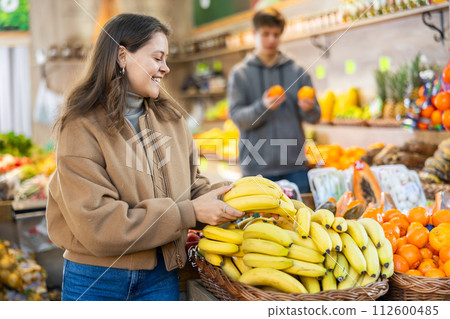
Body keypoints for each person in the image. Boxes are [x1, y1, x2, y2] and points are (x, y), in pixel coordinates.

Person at [46, 13, 244, 301]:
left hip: (160, 276)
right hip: (97, 279)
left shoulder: (172, 119)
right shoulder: (81, 125)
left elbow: (191, 186)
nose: (166, 68)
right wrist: (189, 212)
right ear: (123, 56)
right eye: (157, 58)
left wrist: (232, 197)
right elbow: (97, 224)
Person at [228, 7, 321, 194]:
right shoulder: (240, 74)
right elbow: (238, 118)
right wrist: (263, 106)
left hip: (295, 168)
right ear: (254, 33)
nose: (271, 40)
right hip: (256, 170)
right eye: (266, 34)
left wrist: (308, 108)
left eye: (276, 35)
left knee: (300, 220)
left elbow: (315, 117)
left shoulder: (297, 71)